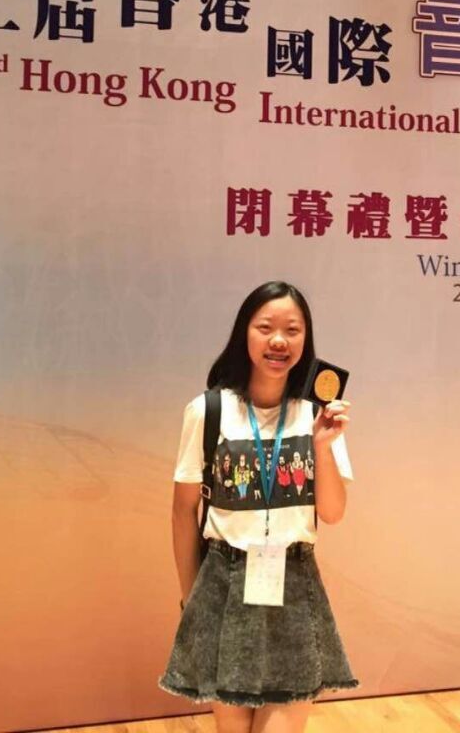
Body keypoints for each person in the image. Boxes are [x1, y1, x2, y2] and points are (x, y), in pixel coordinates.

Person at [158, 280, 359, 733]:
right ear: (243, 333)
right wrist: (192, 599)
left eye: (292, 329)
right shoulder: (208, 411)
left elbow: (332, 512)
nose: (278, 340)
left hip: (294, 584)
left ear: (306, 339)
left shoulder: (317, 415)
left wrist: (322, 446)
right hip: (222, 586)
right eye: (265, 327)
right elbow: (182, 512)